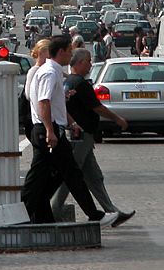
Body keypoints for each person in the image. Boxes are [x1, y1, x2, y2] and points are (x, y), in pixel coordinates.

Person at [21, 35, 118, 227]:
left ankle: (37, 216)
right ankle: (94, 215)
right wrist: (50, 130)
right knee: (69, 174)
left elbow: (54, 104)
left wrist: (71, 123)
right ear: (61, 52)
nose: (71, 55)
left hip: (49, 128)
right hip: (47, 130)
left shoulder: (53, 71)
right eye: (69, 51)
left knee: (48, 176)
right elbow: (44, 102)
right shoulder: (49, 73)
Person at [52, 47, 134, 226]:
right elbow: (97, 107)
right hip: (81, 135)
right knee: (71, 174)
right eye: (88, 61)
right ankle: (53, 208)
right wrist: (117, 119)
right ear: (80, 62)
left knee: (94, 176)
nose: (90, 64)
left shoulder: (69, 82)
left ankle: (112, 211)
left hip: (83, 135)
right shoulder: (80, 84)